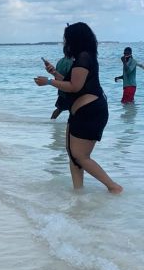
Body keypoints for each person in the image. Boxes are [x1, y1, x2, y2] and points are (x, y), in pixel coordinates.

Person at [35, 22, 123, 194]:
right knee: (73, 154)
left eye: (66, 39)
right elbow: (73, 84)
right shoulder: (84, 57)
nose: (65, 43)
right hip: (84, 111)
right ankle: (78, 193)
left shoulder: (83, 57)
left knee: (80, 156)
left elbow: (74, 87)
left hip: (89, 112)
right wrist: (54, 73)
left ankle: (113, 187)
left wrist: (48, 82)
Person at [44, 45, 74, 119]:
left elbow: (56, 76)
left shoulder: (60, 61)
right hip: (68, 90)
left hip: (61, 90)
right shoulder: (71, 63)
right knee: (73, 108)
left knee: (59, 109)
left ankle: (52, 121)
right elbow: (70, 79)